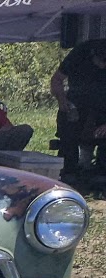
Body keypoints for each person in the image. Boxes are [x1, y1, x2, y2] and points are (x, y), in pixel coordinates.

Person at [52, 39, 106, 177]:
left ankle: (100, 173)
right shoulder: (79, 53)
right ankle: (69, 172)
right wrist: (63, 101)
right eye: (100, 61)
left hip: (103, 107)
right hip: (77, 102)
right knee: (68, 132)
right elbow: (57, 79)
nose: (102, 66)